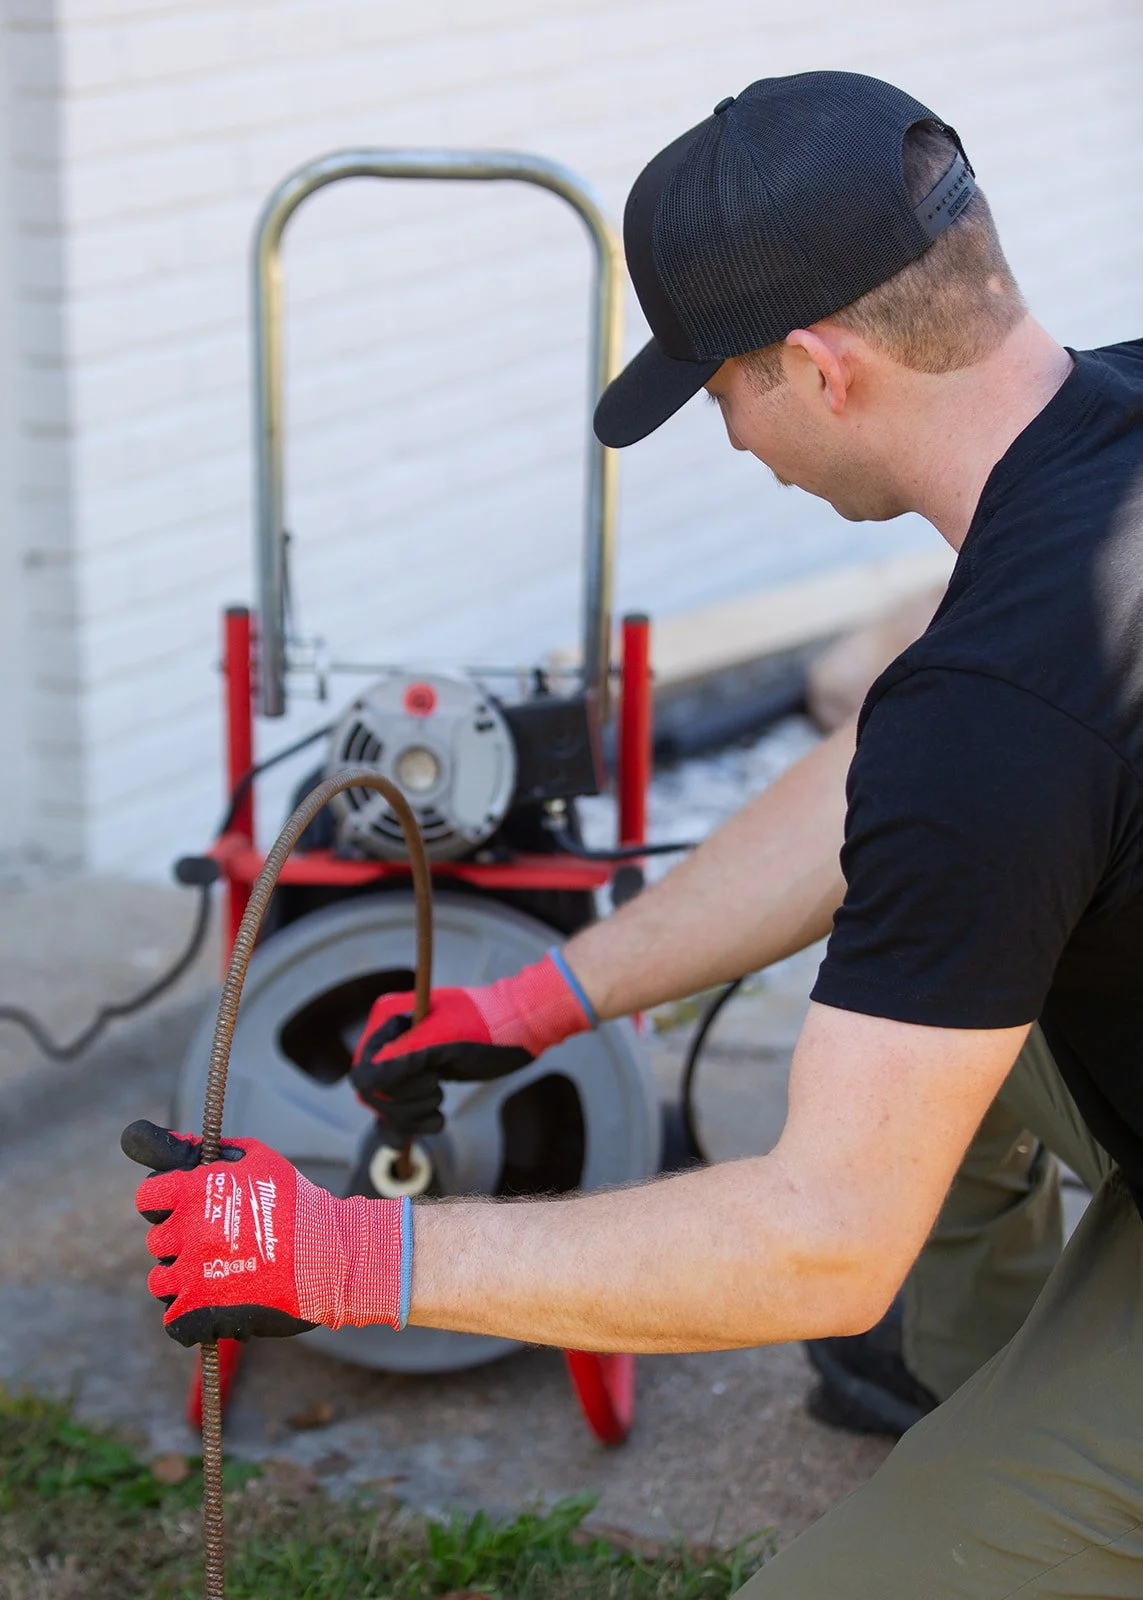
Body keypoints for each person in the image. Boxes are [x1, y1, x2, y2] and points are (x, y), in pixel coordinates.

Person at [124, 71, 1143, 1596]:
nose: (726, 435)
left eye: (716, 386)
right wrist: (530, 1002)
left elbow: (821, 1238)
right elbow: (887, 799)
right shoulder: (1094, 451)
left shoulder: (993, 700)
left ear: (821, 365)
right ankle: (1001, 1416)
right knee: (942, 1030)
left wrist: (345, 1256)